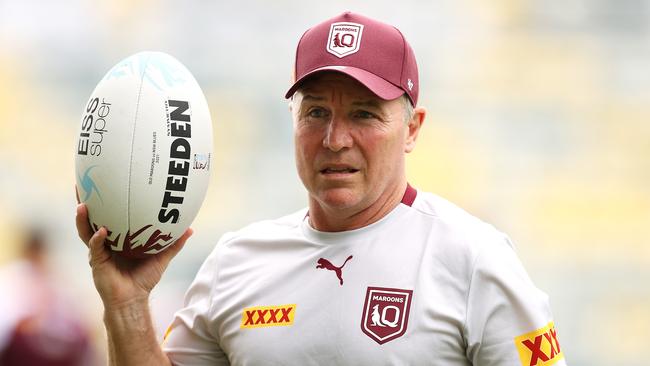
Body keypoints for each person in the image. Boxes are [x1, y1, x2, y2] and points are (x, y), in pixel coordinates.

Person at [76, 11, 566, 366]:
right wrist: (127, 306)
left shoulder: (475, 259)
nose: (335, 139)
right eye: (315, 112)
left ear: (413, 128)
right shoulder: (235, 262)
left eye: (363, 114)